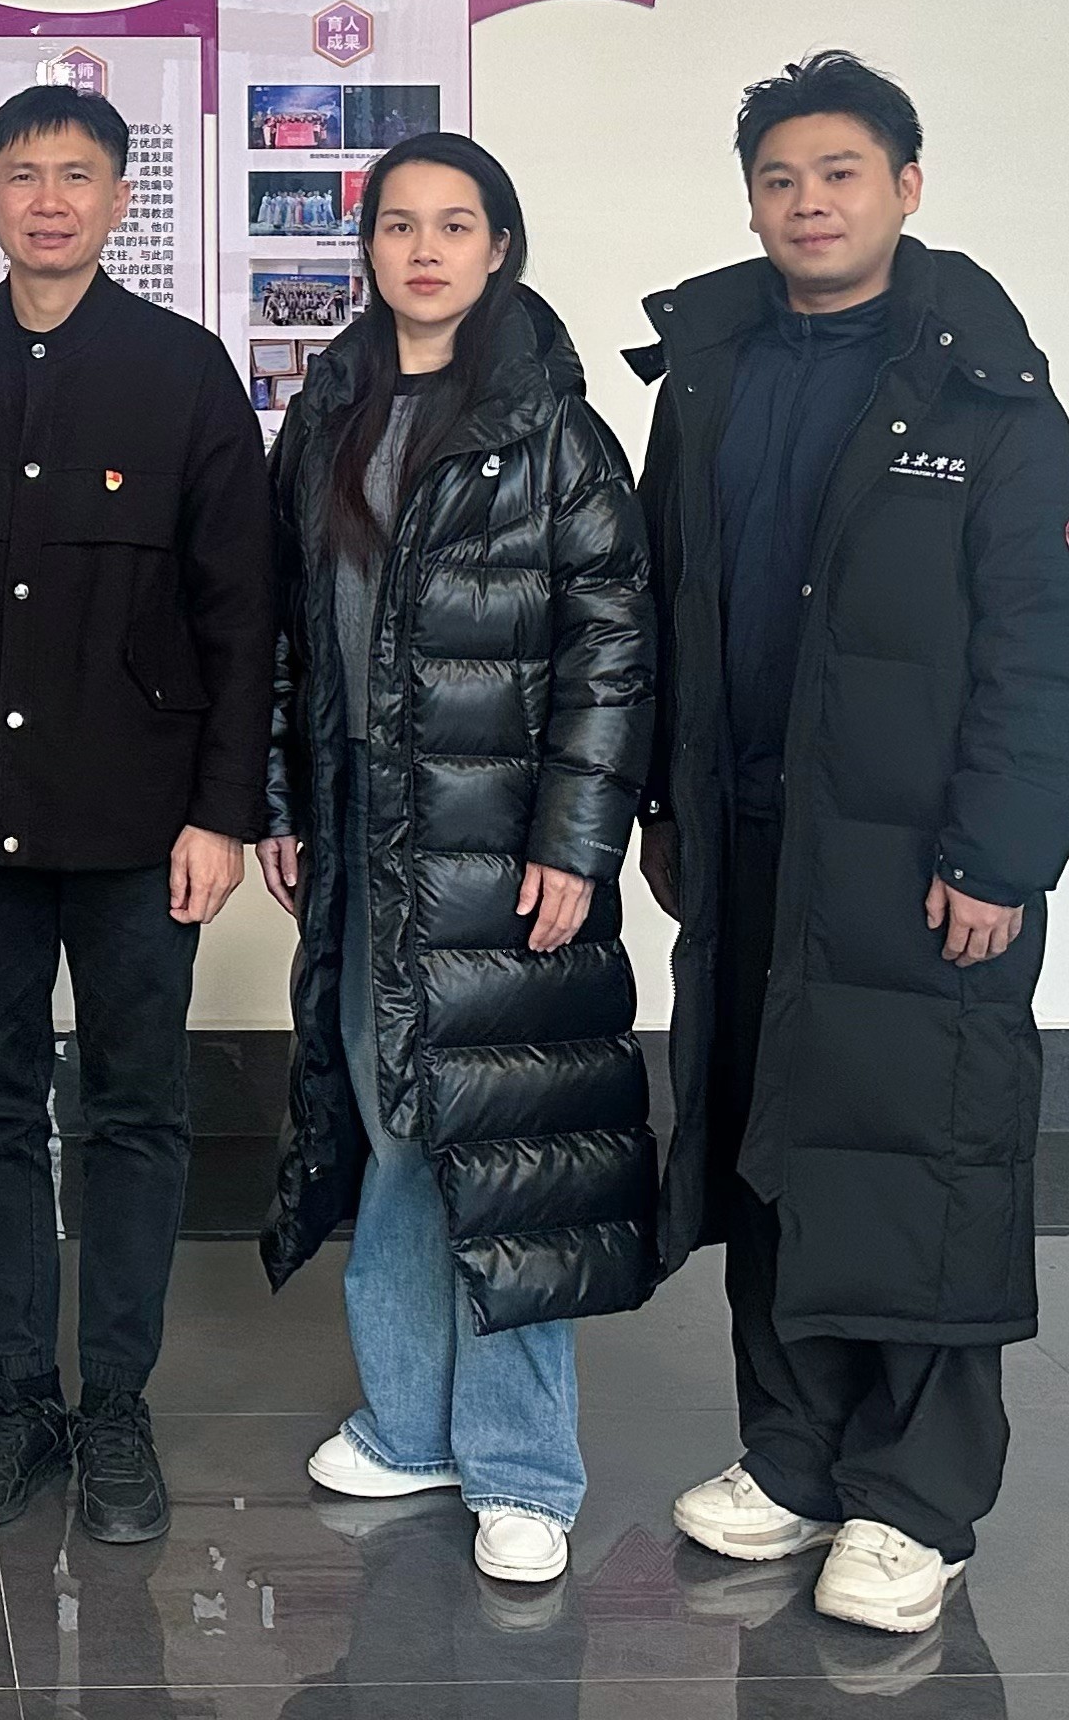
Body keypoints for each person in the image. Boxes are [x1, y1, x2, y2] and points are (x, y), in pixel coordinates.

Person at [629, 52, 1069, 1637]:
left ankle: (917, 1499)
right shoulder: (711, 373)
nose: (808, 203)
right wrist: (662, 806)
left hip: (919, 857)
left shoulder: (989, 392)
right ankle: (795, 1455)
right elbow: (661, 604)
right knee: (770, 1147)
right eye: (779, 179)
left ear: (907, 186)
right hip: (750, 837)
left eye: (840, 173)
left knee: (921, 1158)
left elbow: (1049, 644)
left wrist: (1000, 855)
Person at [0, 80, 278, 1543]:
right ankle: (19, 1392)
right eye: (22, 175)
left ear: (118, 201)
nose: (48, 200)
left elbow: (242, 618)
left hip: (143, 826)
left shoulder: (183, 375)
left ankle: (118, 1407)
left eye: (76, 175)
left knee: (138, 1112)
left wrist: (222, 814)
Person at [256, 132, 659, 1590]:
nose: (424, 249)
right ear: (367, 248)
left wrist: (577, 843)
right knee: (394, 1118)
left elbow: (614, 648)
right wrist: (284, 801)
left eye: (455, 224)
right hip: (365, 822)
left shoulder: (554, 428)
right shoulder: (331, 412)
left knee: (505, 1142)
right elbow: (286, 636)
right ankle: (411, 1422)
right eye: (398, 225)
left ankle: (524, 1466)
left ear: (500, 248)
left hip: (500, 834)